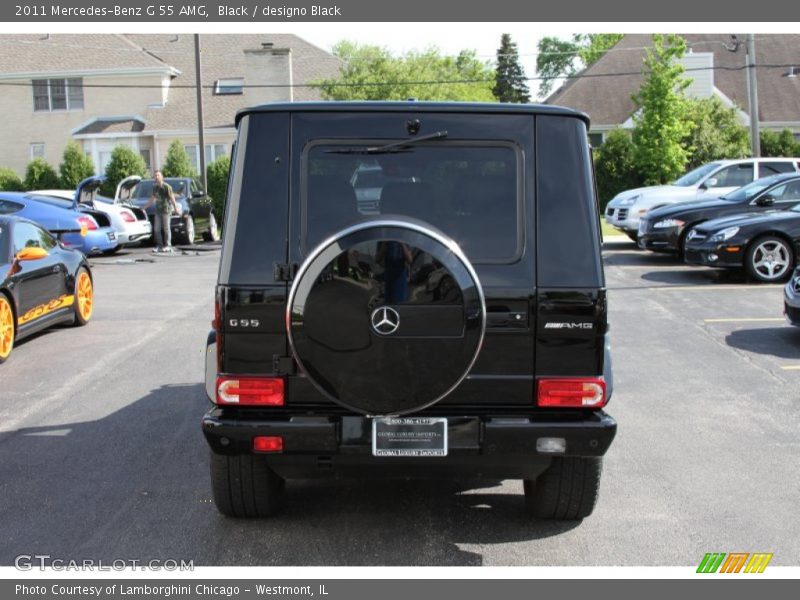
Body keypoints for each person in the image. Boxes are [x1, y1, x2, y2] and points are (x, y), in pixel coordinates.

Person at [141, 170, 180, 253]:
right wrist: (145, 207)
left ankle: (168, 245)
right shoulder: (155, 187)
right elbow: (152, 199)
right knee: (156, 229)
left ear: (162, 177)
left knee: (166, 228)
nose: (156, 177)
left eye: (158, 175)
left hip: (166, 210)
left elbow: (172, 198)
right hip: (158, 211)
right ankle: (159, 245)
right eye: (155, 176)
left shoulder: (166, 186)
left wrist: (176, 208)